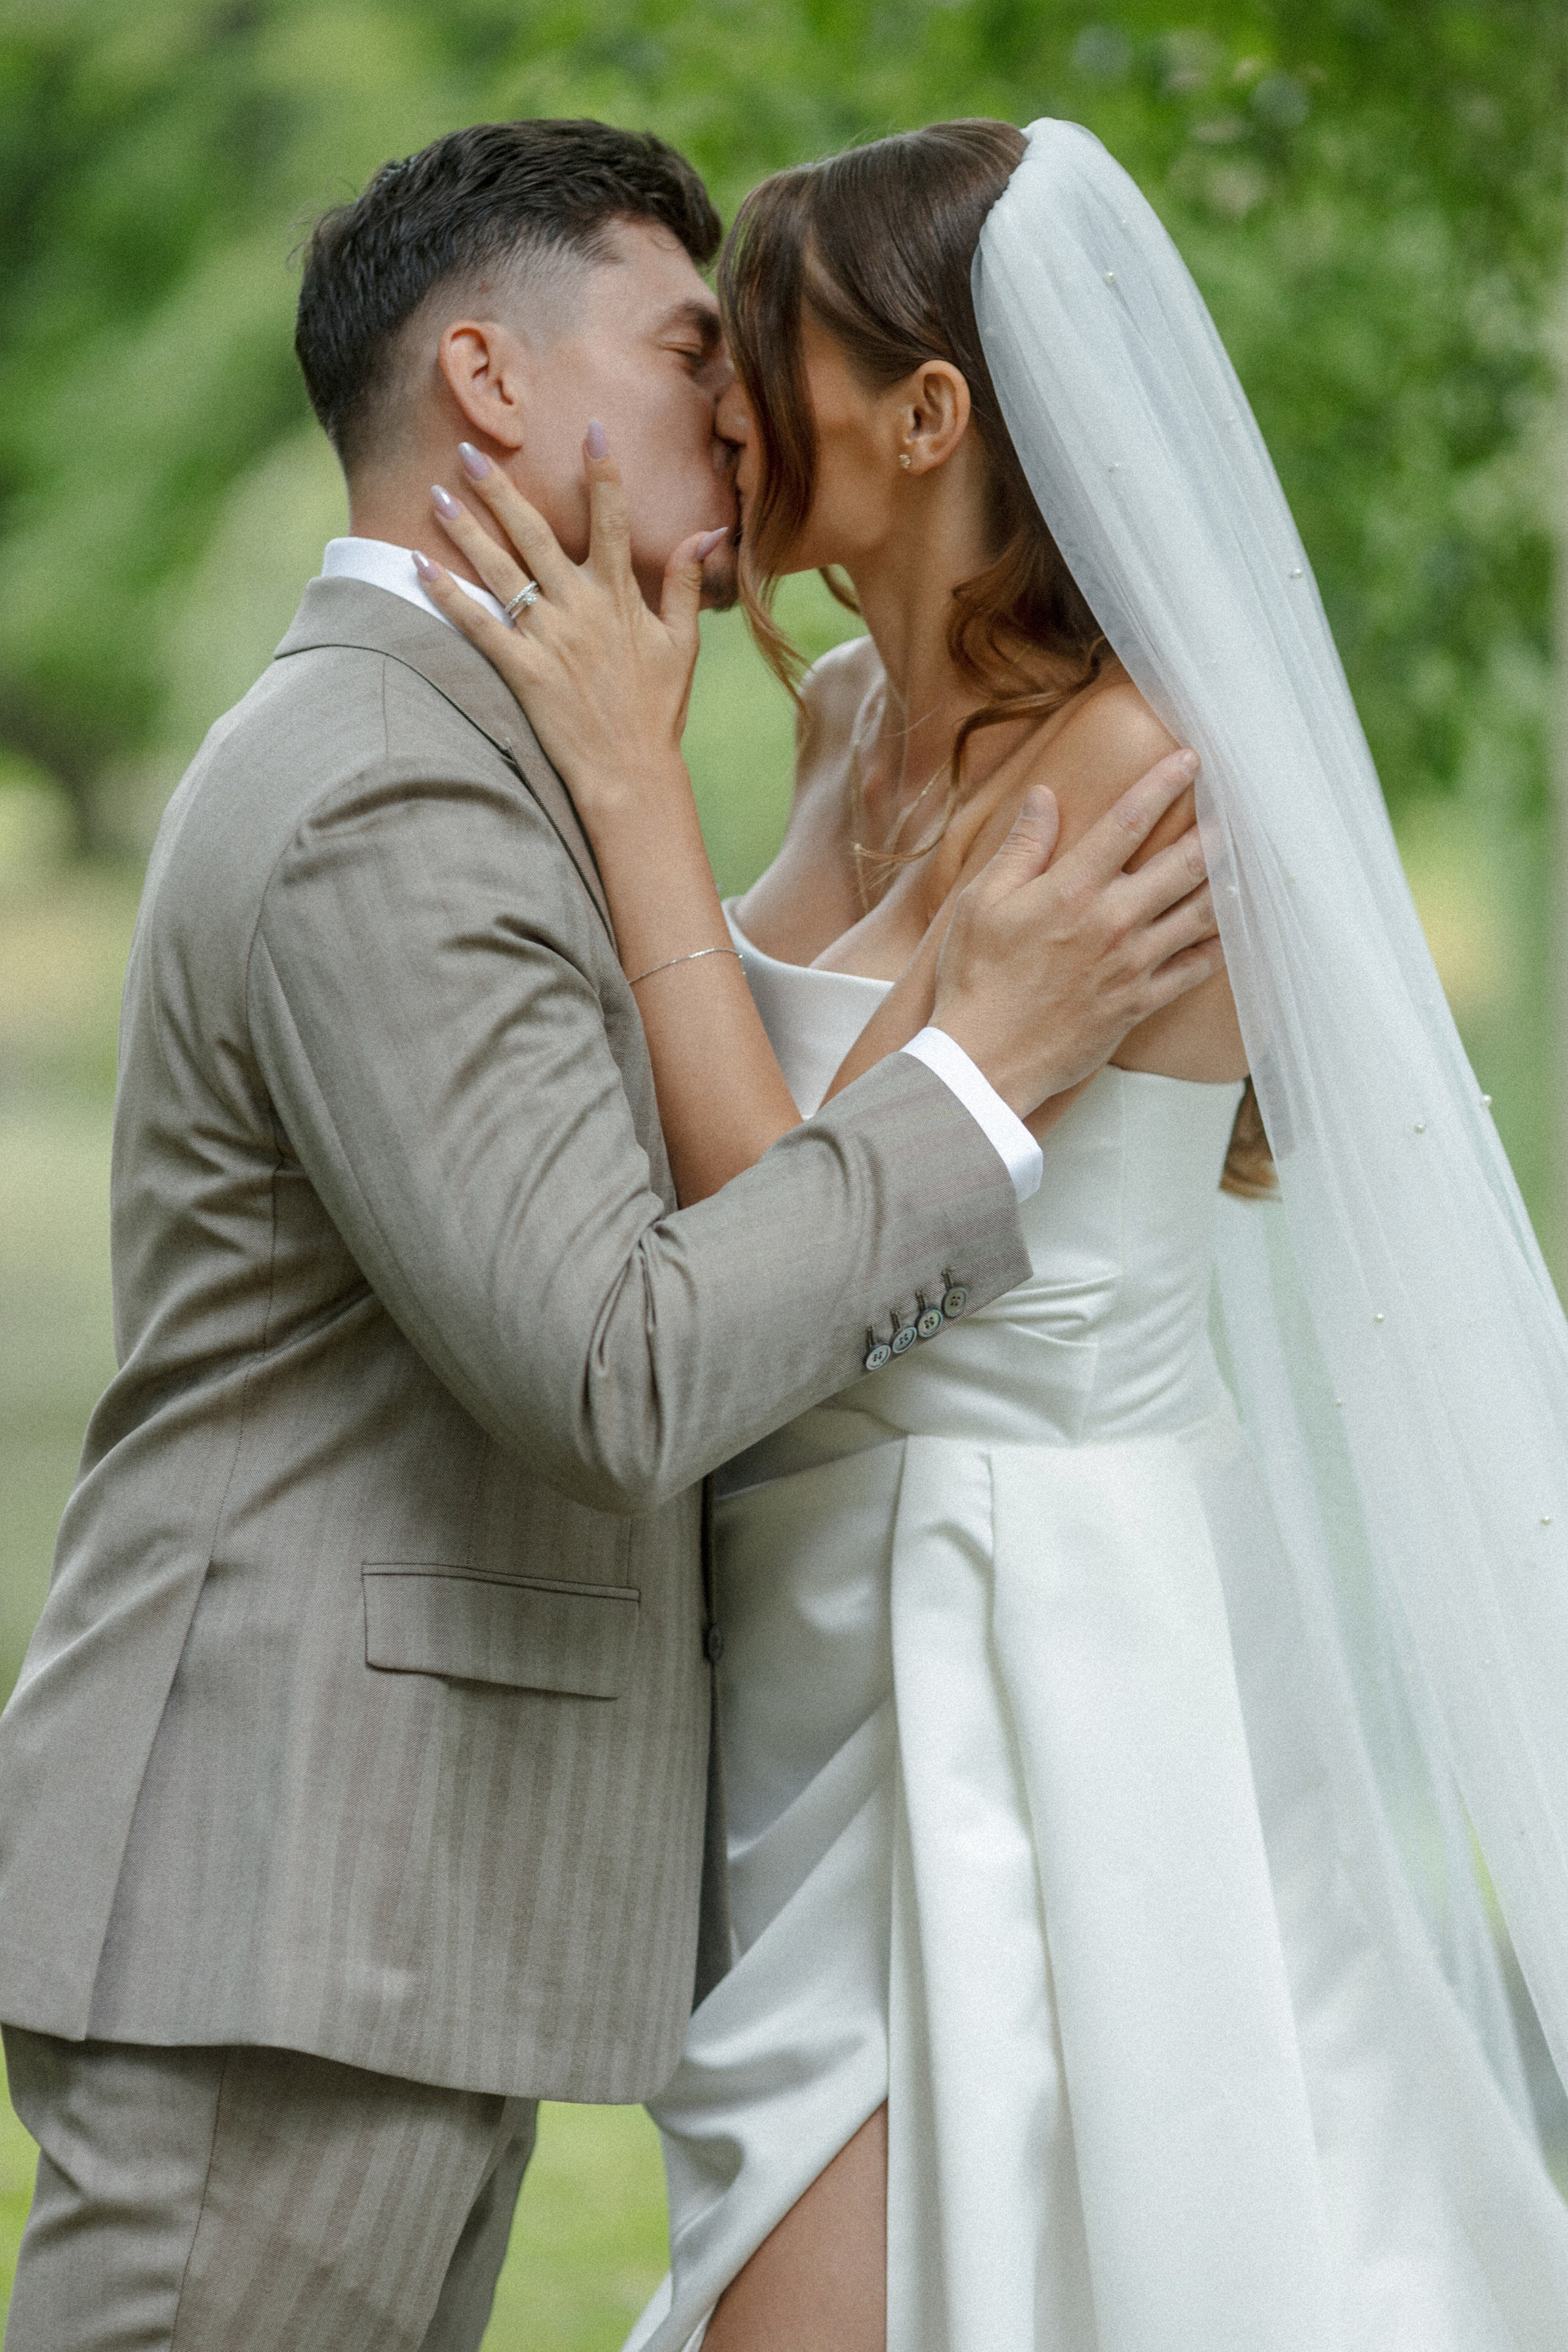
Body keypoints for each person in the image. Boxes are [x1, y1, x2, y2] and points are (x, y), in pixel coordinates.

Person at [0, 120, 1222, 2351]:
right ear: (487, 383)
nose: (735, 404)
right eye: (682, 348)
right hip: (296, 1905)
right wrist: (988, 1069)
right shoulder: (390, 784)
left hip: (404, 1898)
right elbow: (620, 1360)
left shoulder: (490, 748)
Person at [420, 118, 1568, 2350]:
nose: (721, 405)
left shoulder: (1134, 766)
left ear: (930, 413)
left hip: (1024, 1627)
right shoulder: (847, 716)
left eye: (759, 345)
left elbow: (798, 1219)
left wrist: (632, 791)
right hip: (809, 1625)